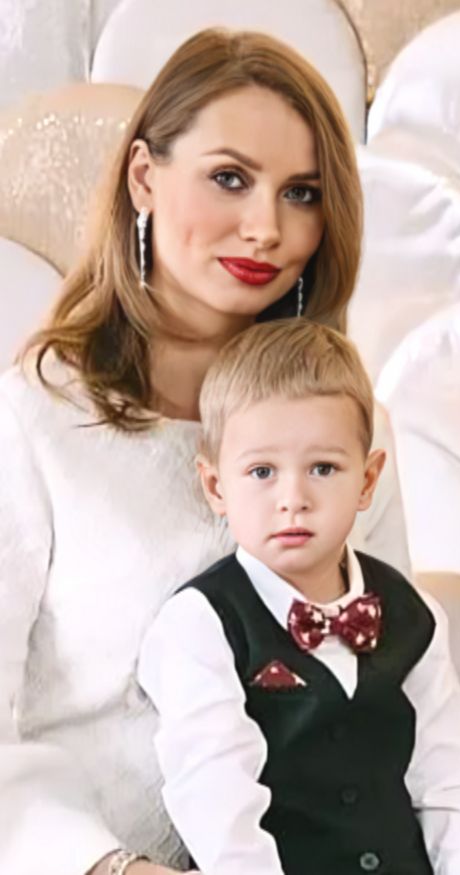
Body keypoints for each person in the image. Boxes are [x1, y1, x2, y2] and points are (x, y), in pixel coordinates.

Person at [0, 29, 410, 875]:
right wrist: (109, 866)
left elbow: (385, 689)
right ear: (143, 178)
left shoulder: (351, 424)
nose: (266, 228)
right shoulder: (31, 417)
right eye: (230, 178)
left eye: (301, 193)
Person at [137, 320, 460, 875]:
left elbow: (450, 788)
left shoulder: (414, 616)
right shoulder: (200, 626)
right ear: (216, 486)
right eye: (262, 471)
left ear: (367, 480)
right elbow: (219, 808)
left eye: (323, 468)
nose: (293, 498)